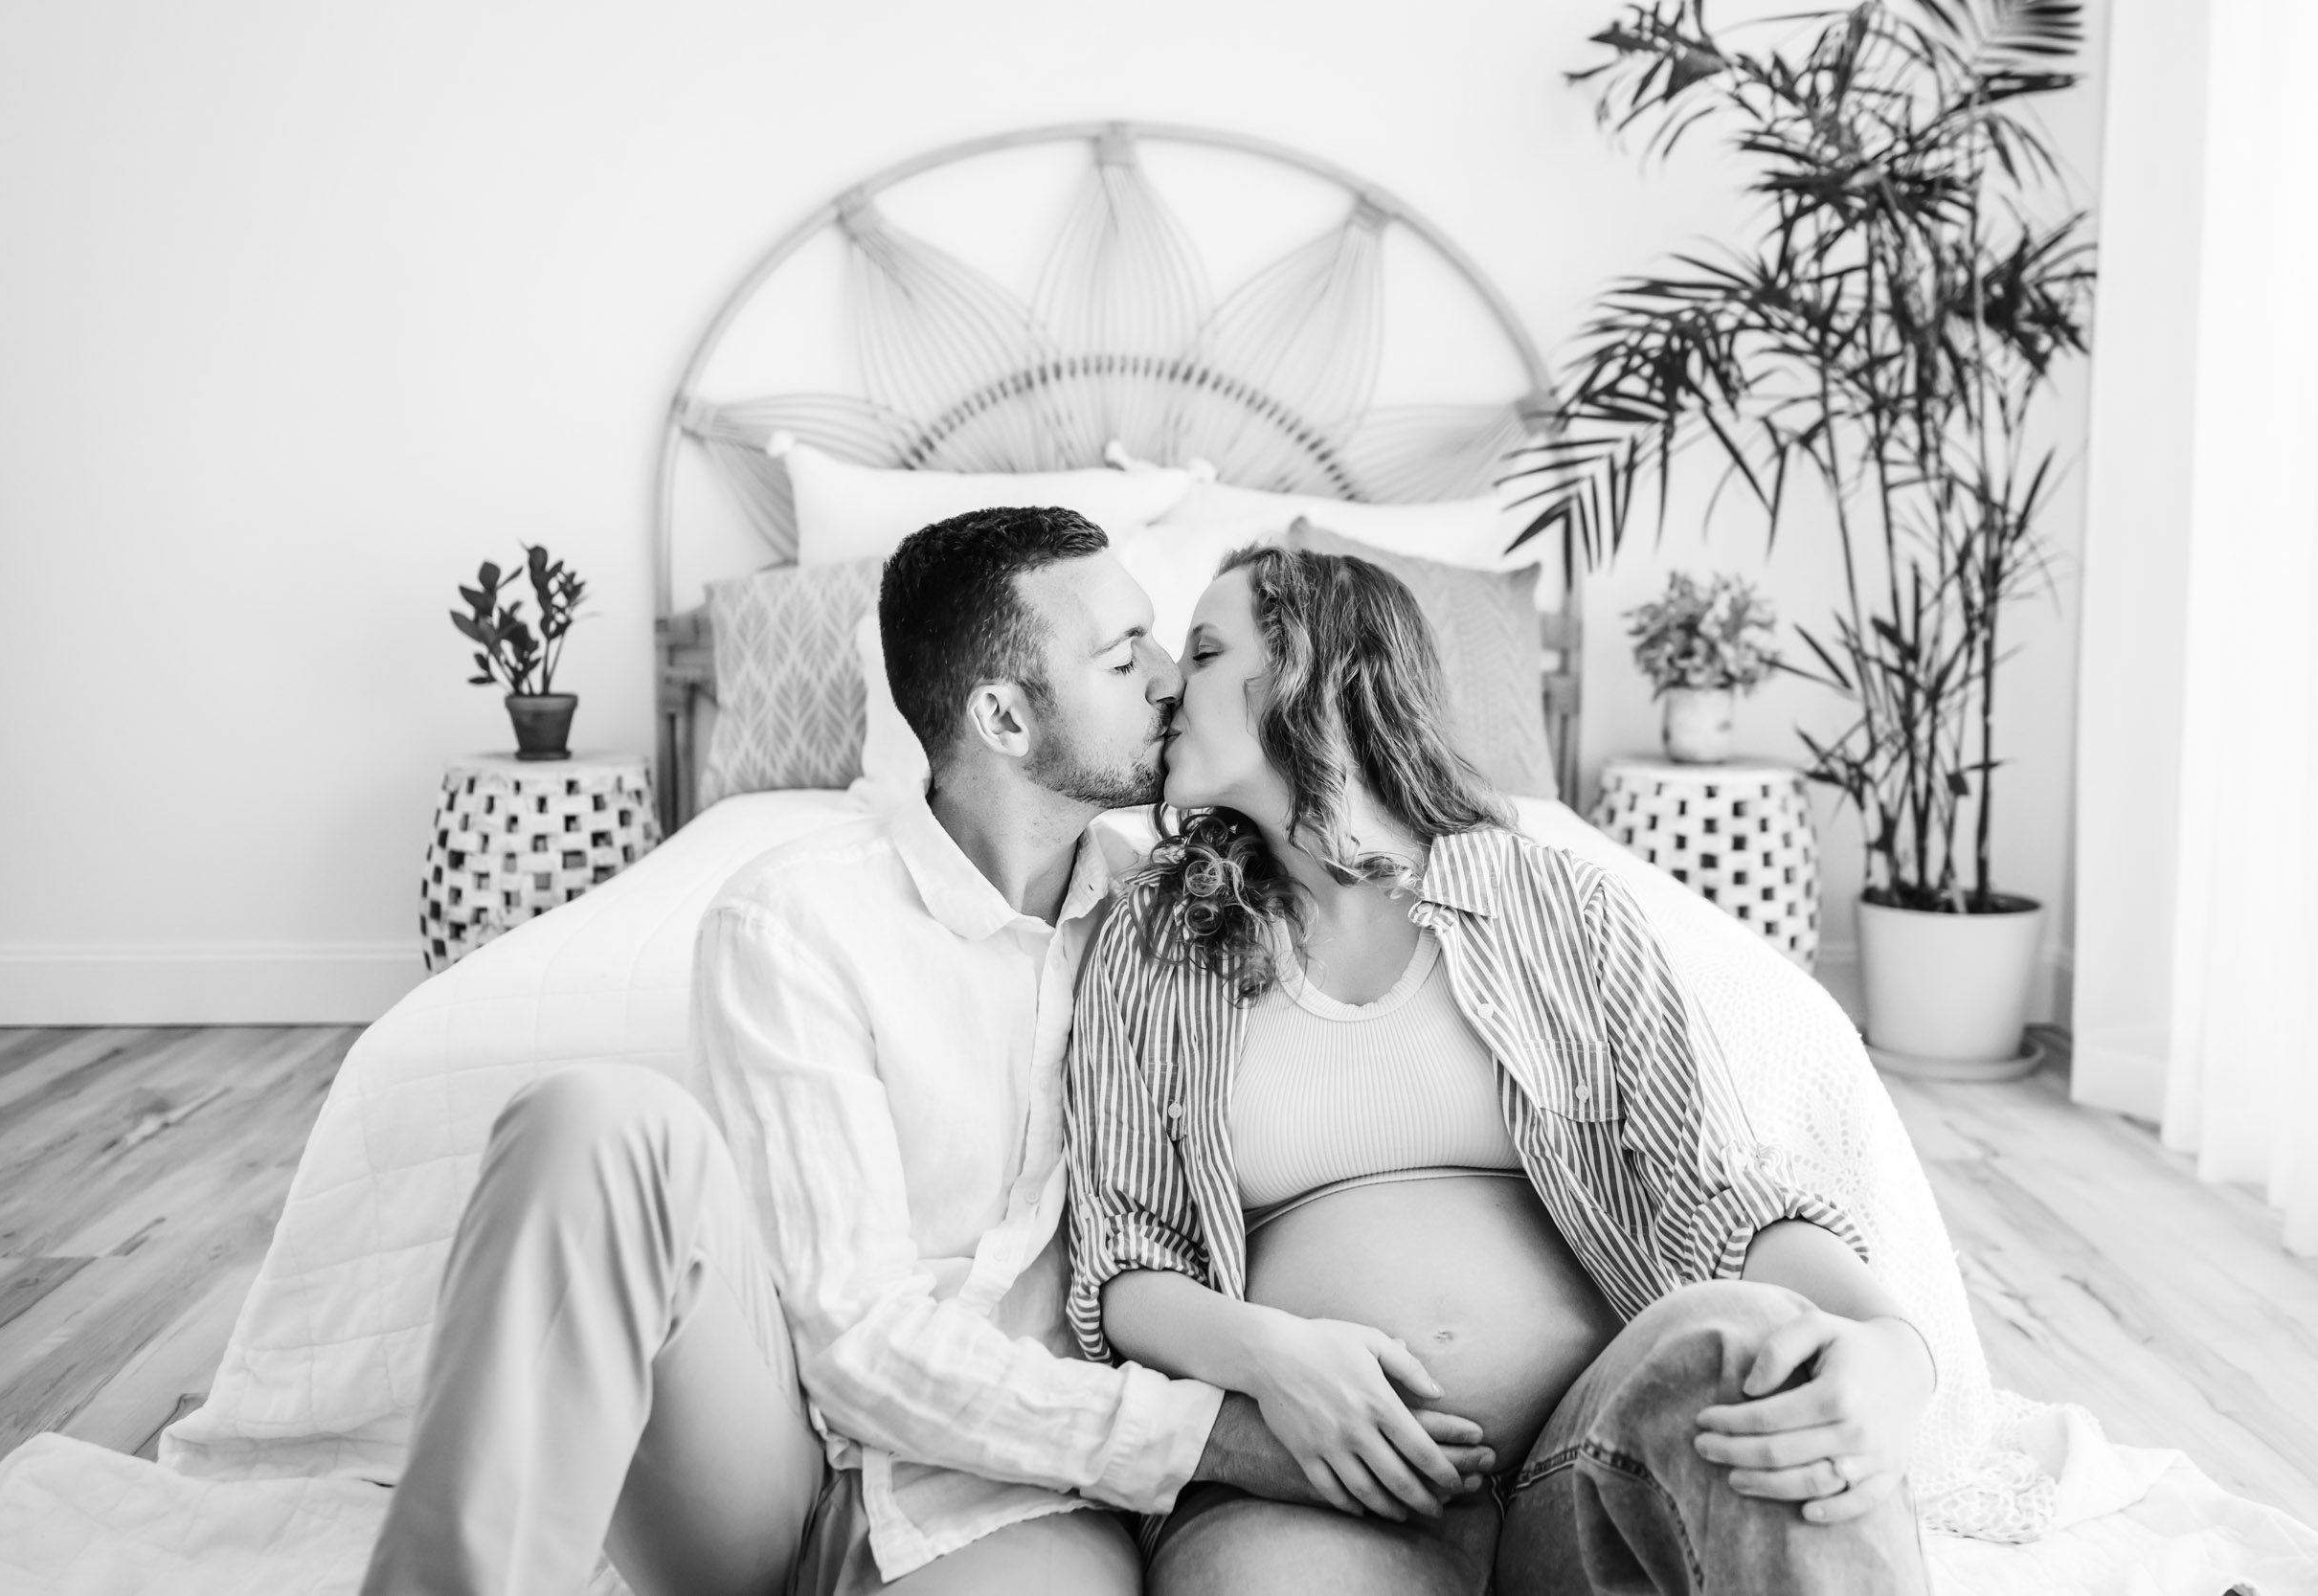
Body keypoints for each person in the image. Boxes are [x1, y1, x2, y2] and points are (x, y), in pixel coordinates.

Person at [356, 508, 1494, 1596]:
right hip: (778, 1460)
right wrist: (1221, 1437)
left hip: (1027, 1496)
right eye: (1121, 655)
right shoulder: (795, 917)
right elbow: (852, 1335)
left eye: (1167, 640)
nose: (1167, 678)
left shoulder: (1180, 917)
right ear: (1003, 719)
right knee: (592, 1122)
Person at [1064, 545, 1940, 1594]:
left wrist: (1894, 1345)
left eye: (1203, 650)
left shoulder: (1556, 902)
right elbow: (1124, 1258)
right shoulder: (1158, 935)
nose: (1164, 682)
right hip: (1311, 1475)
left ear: (1315, 669)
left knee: (1756, 1347)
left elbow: (1718, 1190)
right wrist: (1272, 1358)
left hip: (1589, 1458)